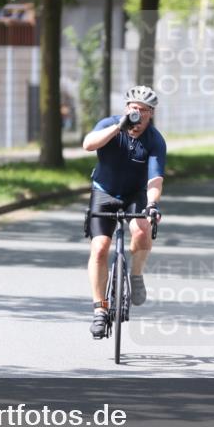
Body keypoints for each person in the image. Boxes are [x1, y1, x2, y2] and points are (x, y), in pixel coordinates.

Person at [82, 85, 166, 339]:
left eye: (143, 111)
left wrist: (152, 205)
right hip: (104, 192)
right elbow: (88, 144)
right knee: (99, 248)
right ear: (127, 109)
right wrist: (118, 127)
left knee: (142, 231)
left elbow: (155, 180)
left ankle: (136, 274)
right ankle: (99, 309)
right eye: (134, 109)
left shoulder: (154, 140)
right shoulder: (110, 124)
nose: (138, 116)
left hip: (135, 194)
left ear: (151, 114)